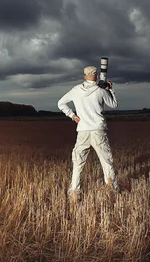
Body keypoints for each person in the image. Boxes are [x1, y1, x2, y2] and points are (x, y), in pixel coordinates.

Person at [57, 65, 120, 201]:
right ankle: (111, 191)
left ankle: (74, 193)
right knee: (106, 162)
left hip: (83, 131)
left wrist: (72, 116)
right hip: (98, 130)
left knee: (78, 163)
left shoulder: (75, 90)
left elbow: (61, 103)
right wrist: (110, 89)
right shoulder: (101, 91)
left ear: (85, 76)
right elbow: (114, 104)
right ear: (96, 76)